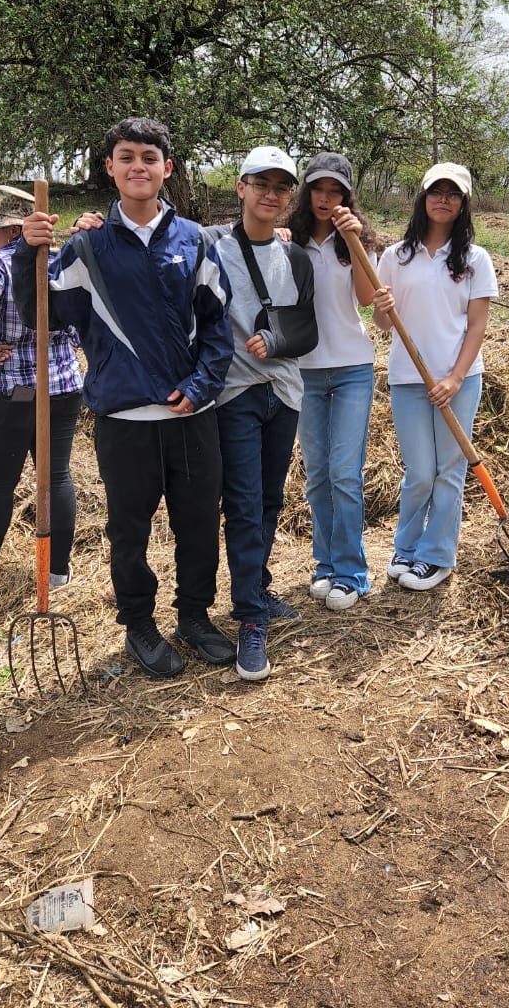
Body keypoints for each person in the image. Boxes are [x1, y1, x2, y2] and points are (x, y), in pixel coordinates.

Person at [12, 117, 235, 679]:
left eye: (150, 157)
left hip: (192, 415)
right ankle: (139, 626)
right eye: (127, 157)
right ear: (109, 168)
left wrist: (203, 385)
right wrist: (27, 254)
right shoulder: (86, 248)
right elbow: (41, 316)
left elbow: (217, 329)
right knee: (128, 531)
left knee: (199, 523)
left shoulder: (196, 240)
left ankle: (194, 617)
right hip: (125, 419)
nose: (139, 166)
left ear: (168, 169)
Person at [207, 146, 318, 682]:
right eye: (261, 184)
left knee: (270, 498)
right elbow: (151, 235)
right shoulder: (210, 243)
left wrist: (275, 339)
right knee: (245, 503)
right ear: (240, 187)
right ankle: (250, 619)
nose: (270, 194)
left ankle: (256, 588)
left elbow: (305, 330)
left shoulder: (295, 256)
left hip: (286, 394)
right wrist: (92, 224)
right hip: (234, 394)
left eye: (281, 187)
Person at [373, 161, 498, 592]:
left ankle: (437, 555)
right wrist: (382, 310)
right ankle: (406, 547)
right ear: (422, 199)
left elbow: (477, 326)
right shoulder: (396, 256)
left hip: (458, 380)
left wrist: (456, 379)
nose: (442, 200)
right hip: (408, 377)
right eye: (435, 192)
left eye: (452, 194)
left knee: (449, 470)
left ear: (462, 204)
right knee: (420, 471)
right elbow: (383, 324)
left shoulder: (475, 259)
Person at [0, 185, 83, 598]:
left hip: (13, 390)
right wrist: (69, 342)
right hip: (64, 385)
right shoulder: (61, 260)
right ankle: (58, 572)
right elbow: (79, 314)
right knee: (57, 475)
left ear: (15, 231)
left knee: (0, 484)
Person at [287, 153, 377, 610]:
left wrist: (354, 241)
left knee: (345, 473)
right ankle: (324, 564)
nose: (326, 198)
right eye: (318, 189)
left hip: (353, 369)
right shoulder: (290, 241)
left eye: (335, 191)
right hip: (303, 371)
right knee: (317, 475)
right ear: (307, 193)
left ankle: (352, 571)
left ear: (346, 195)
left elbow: (365, 300)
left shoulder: (355, 240)